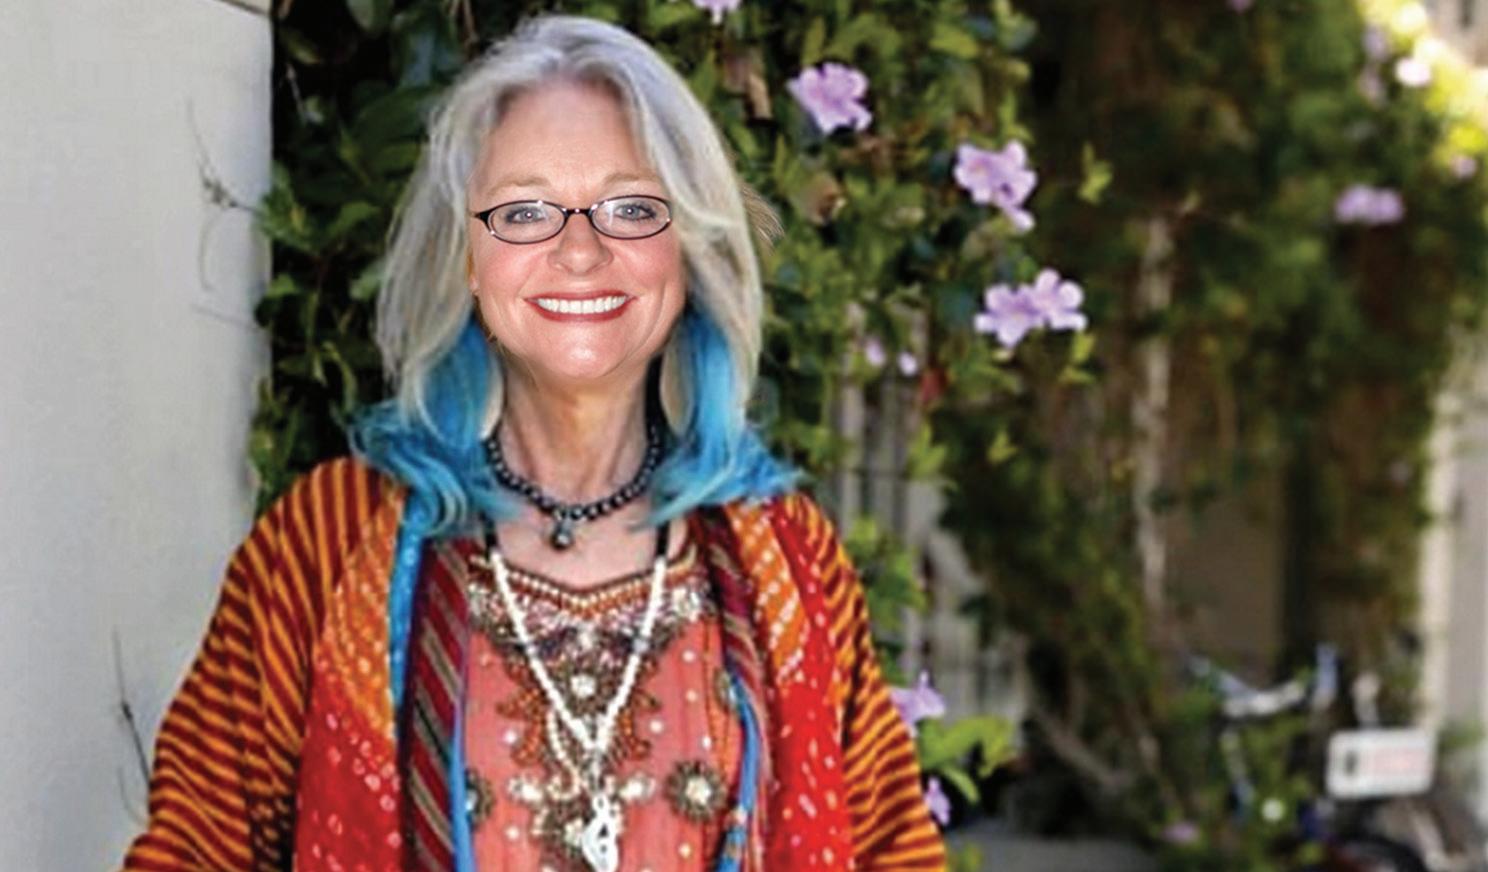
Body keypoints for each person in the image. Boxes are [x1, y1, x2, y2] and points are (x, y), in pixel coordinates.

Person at [122, 14, 946, 872]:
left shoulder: (791, 560)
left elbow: (894, 853)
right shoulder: (327, 543)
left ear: (687, 253)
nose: (579, 251)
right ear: (466, 259)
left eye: (631, 209)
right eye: (524, 212)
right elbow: (192, 852)